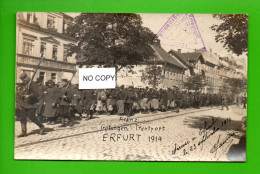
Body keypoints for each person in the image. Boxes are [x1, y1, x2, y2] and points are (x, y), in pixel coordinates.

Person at [16, 72, 45, 137]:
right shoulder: (22, 85)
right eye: (22, 79)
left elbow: (36, 94)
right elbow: (19, 93)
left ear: (27, 77)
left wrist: (29, 96)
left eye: (24, 79)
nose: (23, 80)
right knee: (22, 118)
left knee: (32, 117)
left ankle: (41, 126)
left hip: (31, 103)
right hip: (23, 104)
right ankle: (24, 132)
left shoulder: (33, 84)